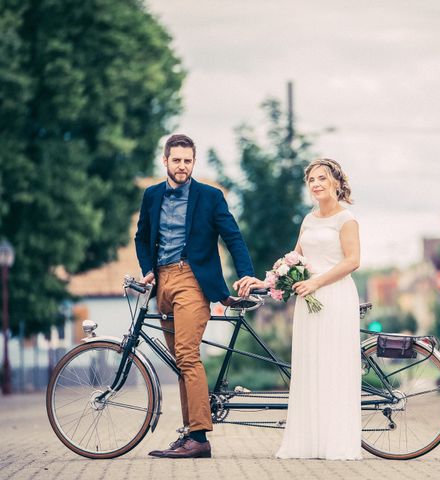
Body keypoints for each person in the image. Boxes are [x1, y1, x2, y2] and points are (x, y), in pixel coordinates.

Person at [134, 133, 255, 459]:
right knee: (181, 361)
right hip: (163, 282)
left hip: (193, 281)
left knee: (187, 355)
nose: (182, 166)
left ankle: (199, 437)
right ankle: (190, 433)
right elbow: (142, 237)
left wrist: (245, 272)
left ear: (193, 162)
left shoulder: (209, 196)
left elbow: (233, 236)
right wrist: (147, 269)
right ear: (166, 161)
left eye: (188, 161)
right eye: (177, 160)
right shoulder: (152, 195)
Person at [237, 158, 362, 460]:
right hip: (308, 302)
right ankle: (309, 441)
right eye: (311, 180)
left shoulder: (346, 220)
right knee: (310, 368)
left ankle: (336, 442)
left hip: (335, 298)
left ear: (336, 182)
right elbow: (293, 260)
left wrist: (317, 282)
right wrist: (264, 281)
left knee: (333, 367)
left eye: (321, 178)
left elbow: (352, 261)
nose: (316, 184)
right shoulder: (309, 219)